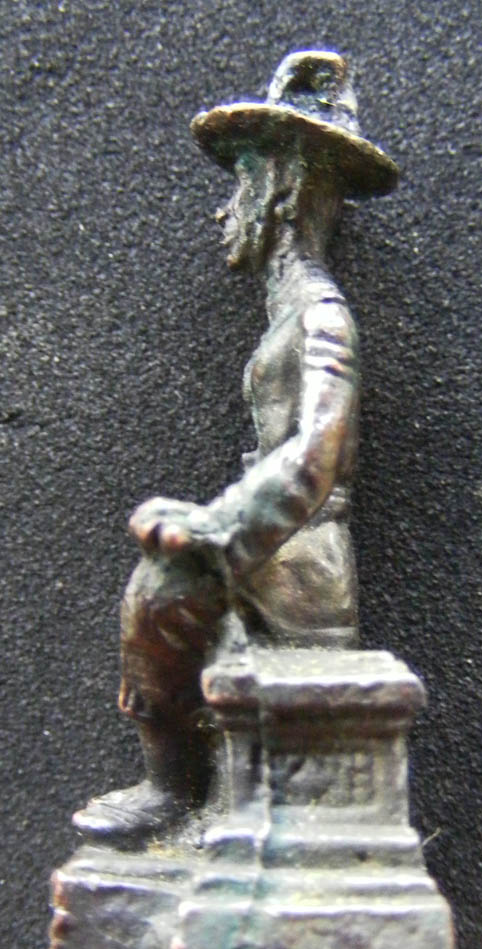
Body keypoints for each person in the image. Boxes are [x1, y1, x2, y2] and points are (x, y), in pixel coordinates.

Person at [74, 51, 398, 837]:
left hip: (302, 564)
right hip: (275, 551)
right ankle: (186, 786)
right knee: (165, 570)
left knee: (162, 588)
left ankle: (171, 788)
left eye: (241, 187)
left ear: (281, 190)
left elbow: (316, 458)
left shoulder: (322, 317)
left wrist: (213, 532)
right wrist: (206, 522)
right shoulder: (291, 315)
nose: (226, 212)